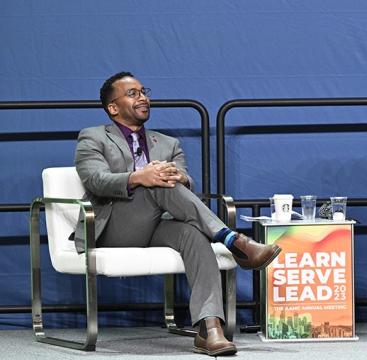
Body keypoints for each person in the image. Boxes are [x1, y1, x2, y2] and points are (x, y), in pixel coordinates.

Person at [73, 71, 282, 356]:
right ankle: (235, 242)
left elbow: (186, 181)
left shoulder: (167, 143)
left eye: (144, 91)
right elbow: (95, 180)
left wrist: (177, 178)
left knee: (192, 233)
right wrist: (139, 176)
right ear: (113, 107)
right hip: (112, 227)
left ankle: (210, 330)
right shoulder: (93, 137)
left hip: (157, 224)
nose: (143, 97)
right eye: (133, 93)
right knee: (156, 180)